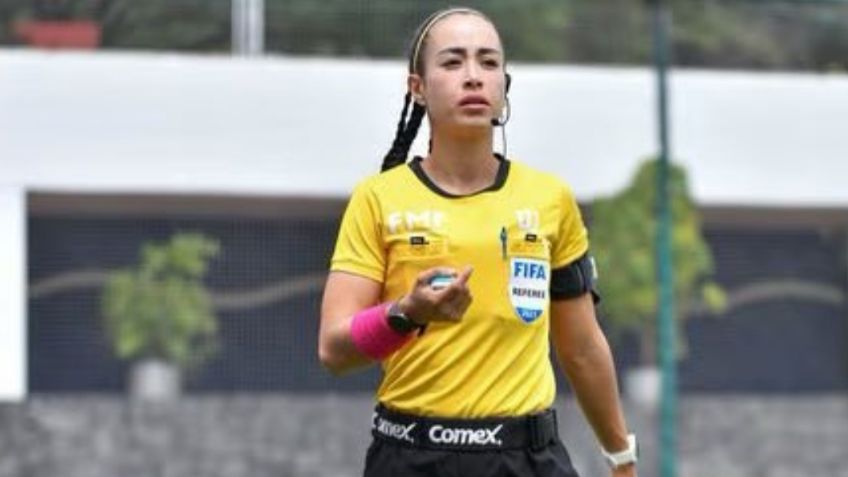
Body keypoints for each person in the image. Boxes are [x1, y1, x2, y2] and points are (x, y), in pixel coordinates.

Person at [319, 7, 638, 477]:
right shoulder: (378, 198)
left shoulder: (550, 198)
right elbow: (334, 350)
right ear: (418, 87)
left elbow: (583, 347)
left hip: (528, 460)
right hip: (410, 458)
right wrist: (408, 313)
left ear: (504, 86)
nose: (473, 77)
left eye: (488, 63)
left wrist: (622, 460)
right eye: (452, 63)